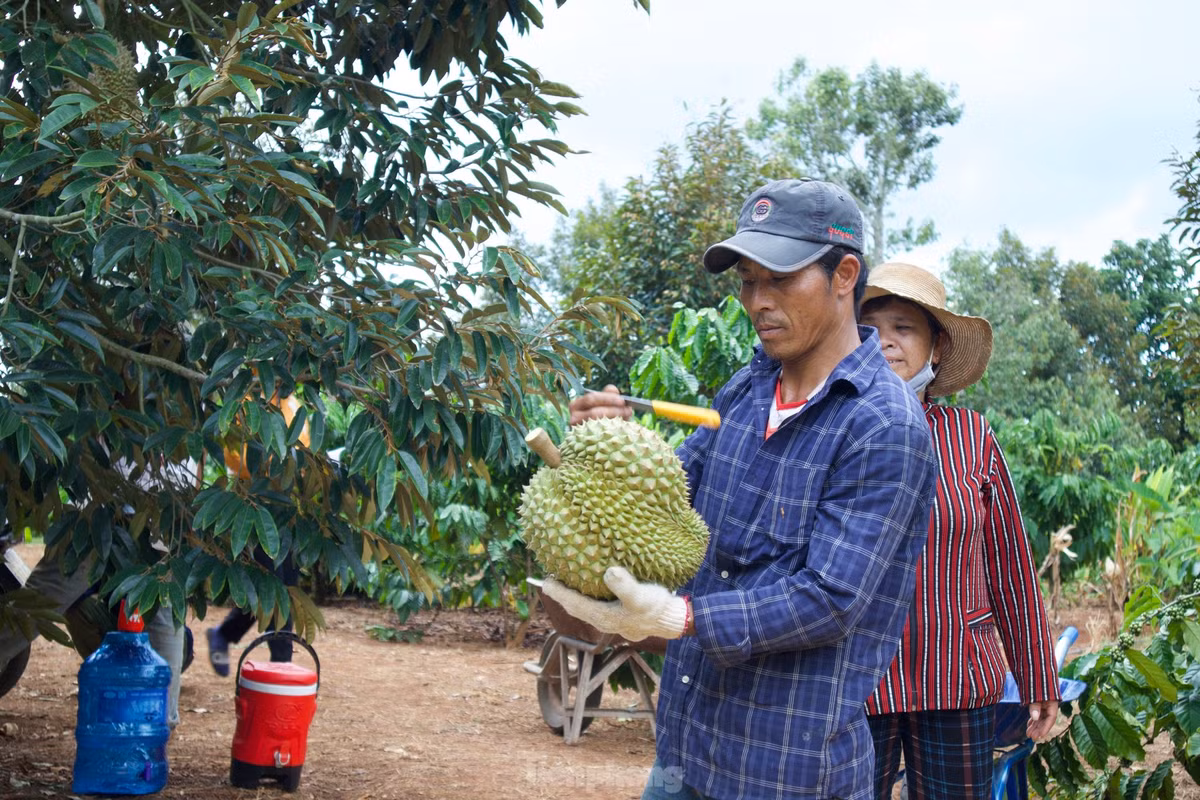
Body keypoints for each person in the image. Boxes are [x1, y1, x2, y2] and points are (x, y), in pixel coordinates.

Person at [544, 179, 939, 800]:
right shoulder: (745, 391)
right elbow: (670, 501)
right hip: (684, 748)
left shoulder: (883, 424)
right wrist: (608, 446)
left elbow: (830, 598)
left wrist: (681, 616)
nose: (759, 301)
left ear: (844, 276)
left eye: (779, 280)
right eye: (749, 282)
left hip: (783, 771)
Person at [858, 262, 1062, 800]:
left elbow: (1010, 564)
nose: (884, 341)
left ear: (937, 348)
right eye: (868, 328)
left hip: (956, 675)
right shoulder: (834, 427)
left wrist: (1038, 675)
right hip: (855, 680)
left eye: (903, 327)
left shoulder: (970, 436)